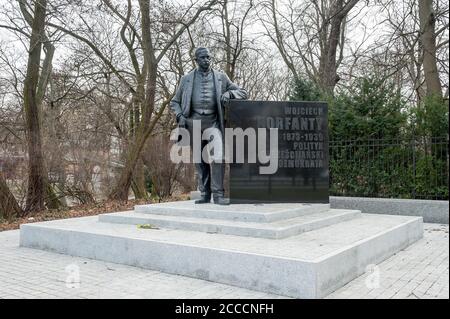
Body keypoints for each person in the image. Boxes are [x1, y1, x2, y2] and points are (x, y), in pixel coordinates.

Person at [170, 47, 247, 205]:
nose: (207, 60)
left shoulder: (221, 77)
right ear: (196, 60)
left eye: (208, 57)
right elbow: (174, 102)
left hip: (213, 122)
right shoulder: (186, 79)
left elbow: (243, 92)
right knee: (200, 160)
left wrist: (229, 94)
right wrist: (179, 116)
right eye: (203, 58)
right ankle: (205, 194)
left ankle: (218, 195)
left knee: (218, 157)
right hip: (194, 123)